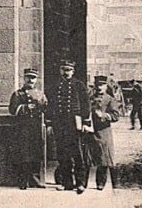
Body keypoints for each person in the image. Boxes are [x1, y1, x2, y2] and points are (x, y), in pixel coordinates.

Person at [45, 59, 89, 193]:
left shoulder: (79, 85)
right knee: (63, 154)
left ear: (73, 71)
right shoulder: (54, 86)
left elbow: (86, 105)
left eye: (69, 70)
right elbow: (50, 106)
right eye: (64, 69)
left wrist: (86, 123)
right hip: (59, 124)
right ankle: (66, 183)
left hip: (75, 123)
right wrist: (49, 123)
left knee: (78, 154)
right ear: (60, 70)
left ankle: (80, 183)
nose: (66, 72)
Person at [9, 67, 49, 189]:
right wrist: (26, 107)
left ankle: (35, 179)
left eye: (33, 78)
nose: (31, 80)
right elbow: (12, 110)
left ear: (36, 79)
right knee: (24, 154)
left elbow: (46, 108)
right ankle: (23, 180)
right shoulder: (18, 94)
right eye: (28, 77)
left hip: (36, 127)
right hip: (23, 127)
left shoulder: (40, 94)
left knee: (36, 152)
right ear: (24, 78)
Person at [84, 77, 120, 191]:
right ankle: (82, 183)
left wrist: (104, 115)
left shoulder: (110, 99)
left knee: (103, 158)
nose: (100, 87)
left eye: (102, 85)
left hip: (103, 132)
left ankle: (100, 182)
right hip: (89, 131)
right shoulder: (88, 98)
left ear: (106, 86)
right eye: (98, 85)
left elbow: (116, 116)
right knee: (87, 157)